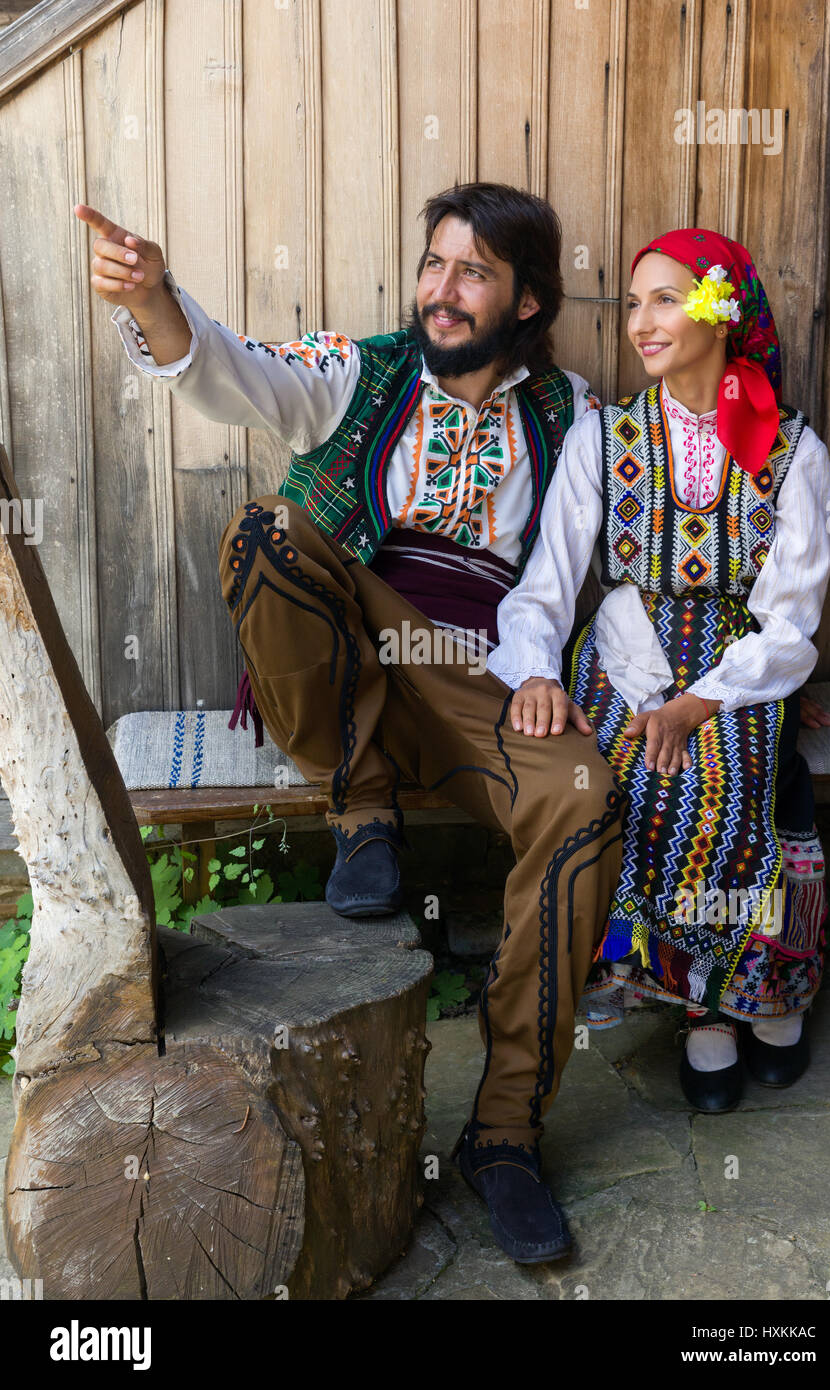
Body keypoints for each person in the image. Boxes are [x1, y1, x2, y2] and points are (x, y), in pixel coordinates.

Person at [75, 185, 627, 1265]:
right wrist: (154, 301)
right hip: (354, 668)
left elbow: (552, 582)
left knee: (582, 800)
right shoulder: (357, 370)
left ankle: (505, 1133)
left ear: (526, 298)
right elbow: (236, 375)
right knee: (270, 534)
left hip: (475, 678)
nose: (442, 289)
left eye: (472, 272)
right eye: (434, 264)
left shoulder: (573, 415)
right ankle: (359, 807)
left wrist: (531, 677)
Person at [488, 228, 830, 1113]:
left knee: (732, 772)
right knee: (632, 775)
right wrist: (533, 671)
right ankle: (699, 1007)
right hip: (630, 643)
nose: (641, 322)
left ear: (721, 314)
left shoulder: (792, 449)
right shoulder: (602, 439)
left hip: (741, 660)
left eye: (666, 299)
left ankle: (770, 989)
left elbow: (791, 620)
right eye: (633, 302)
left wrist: (701, 699)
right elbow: (548, 585)